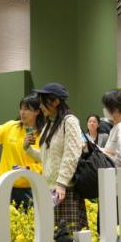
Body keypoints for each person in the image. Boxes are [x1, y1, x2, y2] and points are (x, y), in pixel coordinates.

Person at [24, 83, 86, 230]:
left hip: (65, 191)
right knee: (51, 237)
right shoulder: (49, 123)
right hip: (50, 190)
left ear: (56, 101)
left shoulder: (69, 121)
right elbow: (46, 157)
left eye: (43, 102)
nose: (40, 106)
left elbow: (72, 155)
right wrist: (27, 148)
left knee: (69, 238)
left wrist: (62, 183)